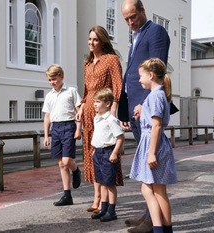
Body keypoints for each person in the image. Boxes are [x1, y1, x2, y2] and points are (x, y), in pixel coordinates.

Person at [117, 1, 174, 232]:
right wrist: (124, 108)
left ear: (142, 11)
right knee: (146, 175)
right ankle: (150, 216)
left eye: (133, 17)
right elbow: (131, 74)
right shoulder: (136, 36)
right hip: (136, 107)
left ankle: (153, 223)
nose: (130, 22)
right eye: (126, 19)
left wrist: (143, 103)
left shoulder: (156, 32)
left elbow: (156, 69)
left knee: (151, 172)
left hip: (146, 109)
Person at [76, 26, 124, 213]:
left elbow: (117, 87)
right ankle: (96, 198)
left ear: (103, 41)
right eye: (90, 39)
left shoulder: (111, 60)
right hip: (88, 113)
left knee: (105, 152)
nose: (91, 43)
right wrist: (80, 107)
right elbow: (86, 91)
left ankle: (104, 201)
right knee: (91, 156)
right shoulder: (87, 64)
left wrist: (113, 111)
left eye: (95, 39)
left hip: (103, 113)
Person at [131, 58, 177, 233]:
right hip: (153, 143)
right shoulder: (157, 95)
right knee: (155, 190)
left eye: (141, 76)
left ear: (150, 75)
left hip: (153, 146)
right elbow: (153, 121)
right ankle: (163, 229)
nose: (139, 80)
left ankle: (159, 229)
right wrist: (142, 114)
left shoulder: (156, 95)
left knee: (154, 191)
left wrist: (151, 154)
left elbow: (156, 125)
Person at [42, 64, 82, 206]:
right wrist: (46, 136)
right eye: (49, 80)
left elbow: (79, 112)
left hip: (69, 126)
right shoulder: (49, 96)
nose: (52, 82)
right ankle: (67, 195)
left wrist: (78, 129)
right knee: (61, 164)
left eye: (54, 79)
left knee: (66, 161)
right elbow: (47, 116)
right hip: (56, 128)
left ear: (62, 77)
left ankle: (76, 170)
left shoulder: (71, 91)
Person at [89, 88, 125, 222]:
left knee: (110, 184)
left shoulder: (111, 120)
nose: (95, 104)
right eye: (94, 102)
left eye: (98, 102)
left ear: (108, 103)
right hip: (98, 153)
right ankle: (103, 209)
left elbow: (120, 137)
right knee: (101, 182)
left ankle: (111, 211)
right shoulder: (96, 118)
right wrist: (94, 150)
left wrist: (115, 153)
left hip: (108, 153)